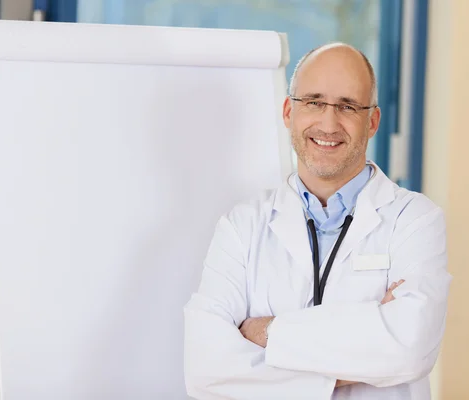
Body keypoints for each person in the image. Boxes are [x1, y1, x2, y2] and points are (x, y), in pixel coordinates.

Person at [183, 43, 451, 399]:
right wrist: (364, 347)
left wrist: (266, 333)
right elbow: (207, 371)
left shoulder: (415, 220)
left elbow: (408, 348)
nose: (328, 123)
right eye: (313, 102)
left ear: (371, 121)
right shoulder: (242, 226)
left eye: (347, 106)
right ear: (288, 112)